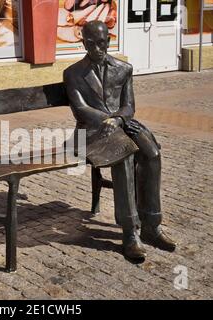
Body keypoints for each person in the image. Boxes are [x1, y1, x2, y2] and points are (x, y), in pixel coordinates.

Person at [63, 21, 176, 261]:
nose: (97, 48)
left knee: (152, 153)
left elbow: (129, 106)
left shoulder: (124, 69)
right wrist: (110, 120)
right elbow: (81, 109)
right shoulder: (72, 73)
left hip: (122, 125)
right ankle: (130, 232)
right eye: (91, 43)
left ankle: (151, 225)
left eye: (101, 43)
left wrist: (119, 120)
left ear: (109, 40)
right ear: (83, 43)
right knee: (123, 155)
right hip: (90, 132)